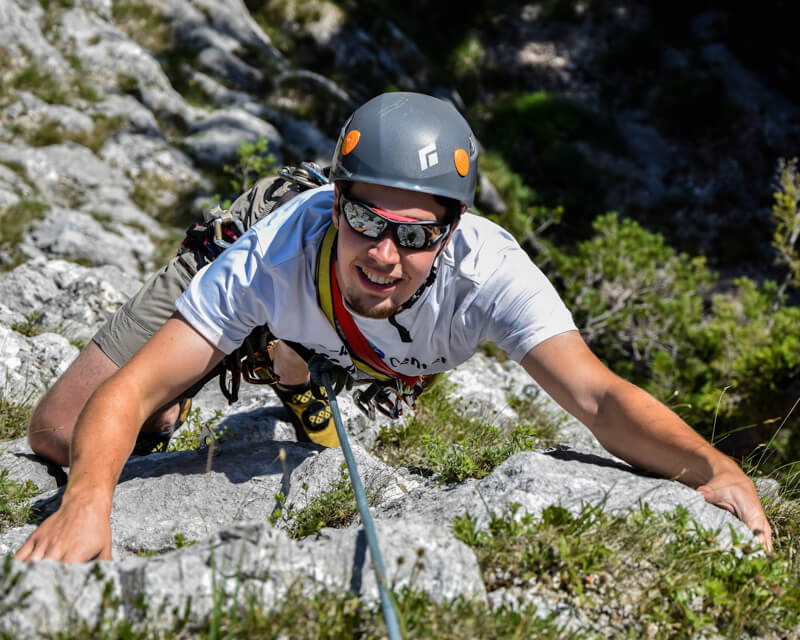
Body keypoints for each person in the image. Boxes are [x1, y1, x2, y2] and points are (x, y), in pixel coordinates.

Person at [15, 92, 772, 563]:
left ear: (454, 227)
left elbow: (599, 399)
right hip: (258, 265)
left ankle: (299, 369)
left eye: (414, 234)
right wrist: (88, 506)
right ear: (335, 200)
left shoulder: (490, 273)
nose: (384, 254)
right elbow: (131, 386)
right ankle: (251, 355)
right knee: (58, 431)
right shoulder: (273, 250)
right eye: (364, 220)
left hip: (337, 333)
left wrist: (712, 468)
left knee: (311, 340)